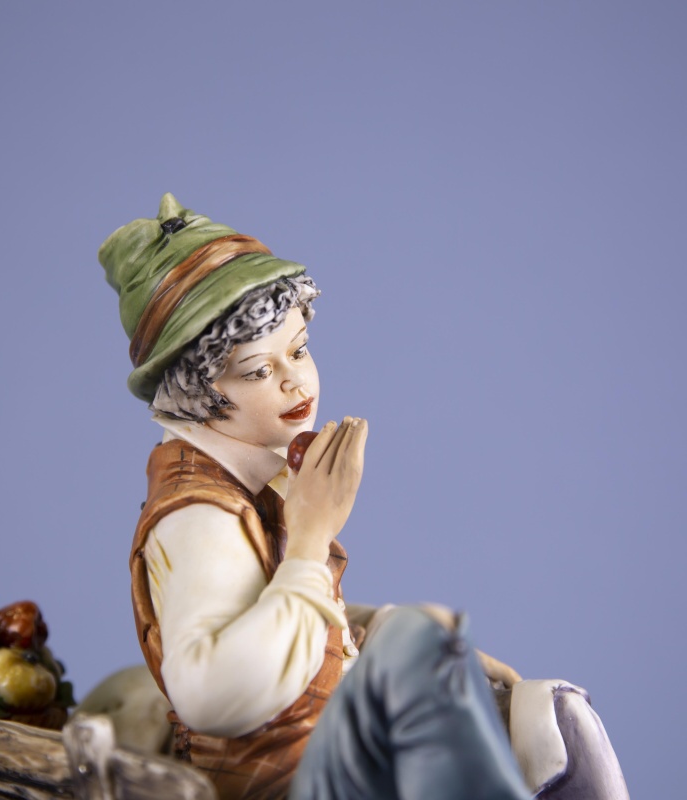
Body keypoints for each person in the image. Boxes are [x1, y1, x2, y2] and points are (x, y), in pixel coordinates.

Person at [99, 194, 628, 800]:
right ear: (197, 395)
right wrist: (310, 537)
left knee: (510, 692)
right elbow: (213, 694)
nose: (294, 381)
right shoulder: (201, 517)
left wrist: (388, 634)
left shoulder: (252, 484)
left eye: (298, 351)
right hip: (281, 782)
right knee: (526, 722)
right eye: (257, 371)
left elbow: (272, 621)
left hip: (323, 752)